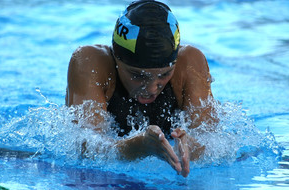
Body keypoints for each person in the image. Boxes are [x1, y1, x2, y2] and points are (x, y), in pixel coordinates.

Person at [66, 0, 215, 177]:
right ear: (116, 58)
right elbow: (84, 148)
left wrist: (193, 147)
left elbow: (216, 143)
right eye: (138, 75)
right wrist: (136, 147)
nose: (152, 88)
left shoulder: (189, 63)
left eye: (164, 74)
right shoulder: (91, 63)